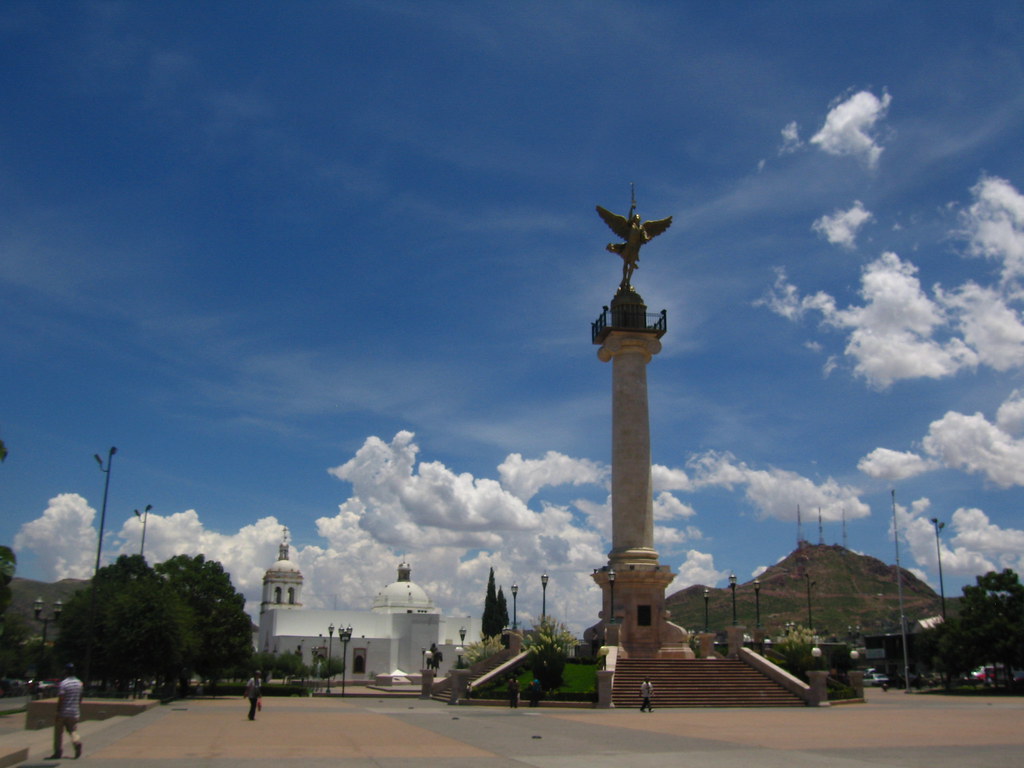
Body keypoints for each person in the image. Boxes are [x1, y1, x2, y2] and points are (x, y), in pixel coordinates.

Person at [50, 663, 83, 759]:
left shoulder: (64, 683)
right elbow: (80, 698)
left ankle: (58, 752)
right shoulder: (79, 683)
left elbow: (61, 698)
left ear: (65, 672)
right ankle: (77, 742)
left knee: (58, 733)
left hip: (63, 712)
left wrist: (57, 712)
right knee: (73, 730)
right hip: (74, 712)